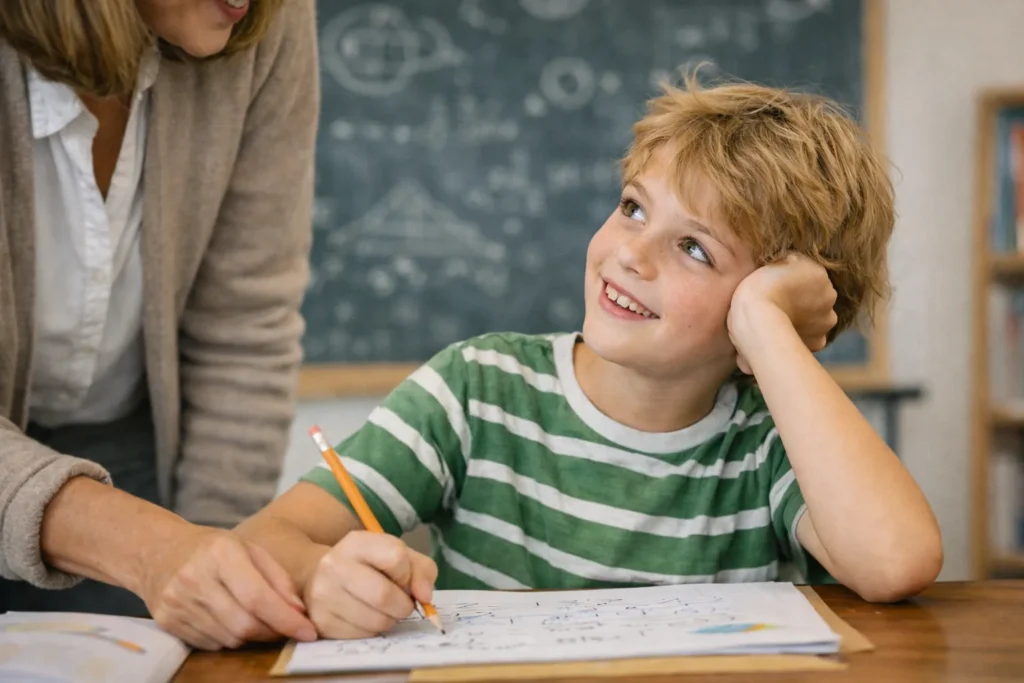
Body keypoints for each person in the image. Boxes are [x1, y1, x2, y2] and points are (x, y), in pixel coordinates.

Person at [170, 74, 945, 642]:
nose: (631, 254)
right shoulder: (475, 391)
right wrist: (321, 577)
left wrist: (767, 329)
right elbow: (264, 540)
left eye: (695, 249)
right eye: (634, 207)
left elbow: (897, 561)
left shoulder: (772, 443)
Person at [0, 0, 320, 649]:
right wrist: (153, 548)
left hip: (131, 460)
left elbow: (244, 325)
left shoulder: (268, 22)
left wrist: (217, 563)